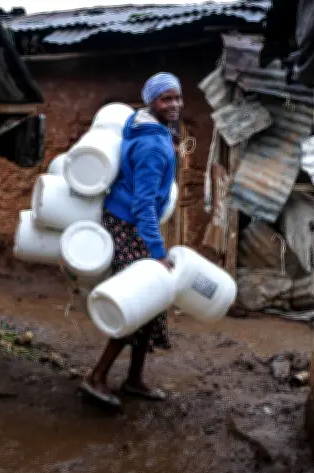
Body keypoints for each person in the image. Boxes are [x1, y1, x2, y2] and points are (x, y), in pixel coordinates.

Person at [80, 72, 183, 408]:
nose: (174, 104)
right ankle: (97, 377)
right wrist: (157, 251)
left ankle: (135, 379)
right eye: (165, 98)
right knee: (135, 300)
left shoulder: (154, 132)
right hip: (129, 226)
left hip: (130, 223)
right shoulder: (153, 144)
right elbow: (142, 205)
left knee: (150, 303)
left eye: (177, 97)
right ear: (151, 101)